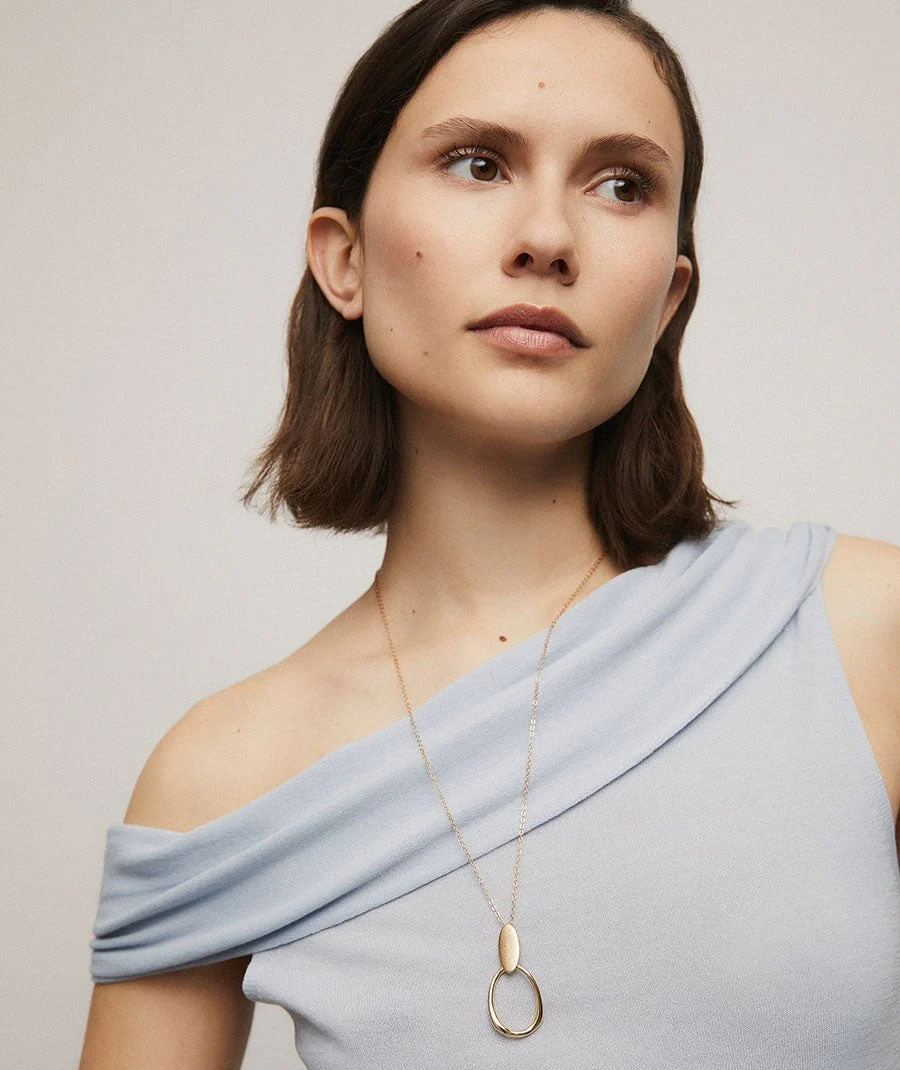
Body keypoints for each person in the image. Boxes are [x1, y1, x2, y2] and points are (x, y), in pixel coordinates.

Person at [79, 1, 900, 1067]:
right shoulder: (224, 774)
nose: (548, 239)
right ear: (344, 260)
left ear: (667, 300)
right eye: (477, 163)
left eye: (622, 185)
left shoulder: (863, 637)